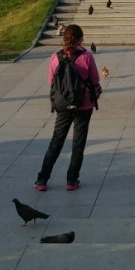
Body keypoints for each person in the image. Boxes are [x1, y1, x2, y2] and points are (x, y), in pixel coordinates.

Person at [35, 24, 101, 192]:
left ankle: (42, 179)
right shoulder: (86, 57)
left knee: (56, 141)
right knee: (78, 143)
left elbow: (52, 82)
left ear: (63, 38)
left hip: (63, 106)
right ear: (81, 39)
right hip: (83, 104)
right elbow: (94, 81)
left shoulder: (55, 57)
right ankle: (72, 180)